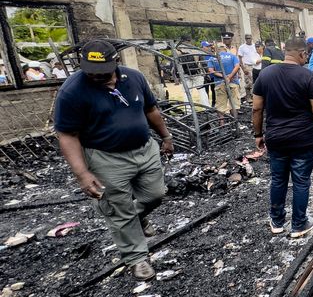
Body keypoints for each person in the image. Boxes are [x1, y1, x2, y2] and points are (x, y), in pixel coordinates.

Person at [53, 40, 173, 280]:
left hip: (144, 150)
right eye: (91, 71)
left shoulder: (134, 78)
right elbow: (67, 134)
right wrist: (82, 174)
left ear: (115, 62)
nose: (96, 76)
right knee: (118, 207)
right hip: (105, 157)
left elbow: (150, 110)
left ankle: (136, 218)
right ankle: (137, 258)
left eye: (102, 71)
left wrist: (166, 136)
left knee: (156, 194)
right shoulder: (72, 91)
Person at [252, 37, 313, 238]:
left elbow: (256, 108)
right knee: (301, 181)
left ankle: (277, 222)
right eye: (306, 54)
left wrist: (258, 134)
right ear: (302, 53)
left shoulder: (265, 74)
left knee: (278, 179)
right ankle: (298, 225)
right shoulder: (308, 77)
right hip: (303, 139)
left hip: (276, 138)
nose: (307, 58)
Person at [206, 42, 242, 114]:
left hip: (219, 83)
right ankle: (235, 122)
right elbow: (237, 66)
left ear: (217, 49)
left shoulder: (212, 58)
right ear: (225, 48)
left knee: (220, 106)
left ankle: (222, 123)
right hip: (233, 82)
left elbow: (211, 70)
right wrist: (230, 76)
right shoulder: (232, 56)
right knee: (234, 104)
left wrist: (223, 76)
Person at [176, 37, 210, 107]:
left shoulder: (178, 51)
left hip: (185, 74)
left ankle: (188, 110)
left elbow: (176, 64)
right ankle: (207, 107)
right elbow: (203, 63)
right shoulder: (195, 49)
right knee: (201, 90)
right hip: (197, 73)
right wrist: (207, 73)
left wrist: (177, 76)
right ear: (189, 41)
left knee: (187, 92)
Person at [237, 33, 260, 98]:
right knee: (248, 82)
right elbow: (240, 58)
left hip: (256, 65)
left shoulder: (255, 46)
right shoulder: (242, 47)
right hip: (247, 66)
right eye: (247, 38)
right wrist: (243, 68)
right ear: (245, 39)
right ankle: (248, 97)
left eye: (249, 38)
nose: (248, 39)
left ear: (251, 38)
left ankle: (255, 96)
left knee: (256, 81)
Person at [200, 41, 217, 108]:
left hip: (212, 75)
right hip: (204, 76)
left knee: (214, 90)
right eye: (206, 46)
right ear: (202, 47)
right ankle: (206, 105)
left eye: (209, 46)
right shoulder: (200, 55)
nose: (208, 48)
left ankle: (214, 104)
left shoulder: (211, 54)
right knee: (205, 91)